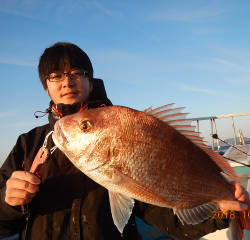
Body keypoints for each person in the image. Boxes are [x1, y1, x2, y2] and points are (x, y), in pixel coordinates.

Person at [0, 42, 249, 240]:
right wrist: (8, 203)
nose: (67, 81)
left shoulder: (127, 125)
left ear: (90, 81)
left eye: (76, 72)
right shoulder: (27, 144)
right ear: (47, 87)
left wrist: (221, 212)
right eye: (55, 76)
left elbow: (171, 221)